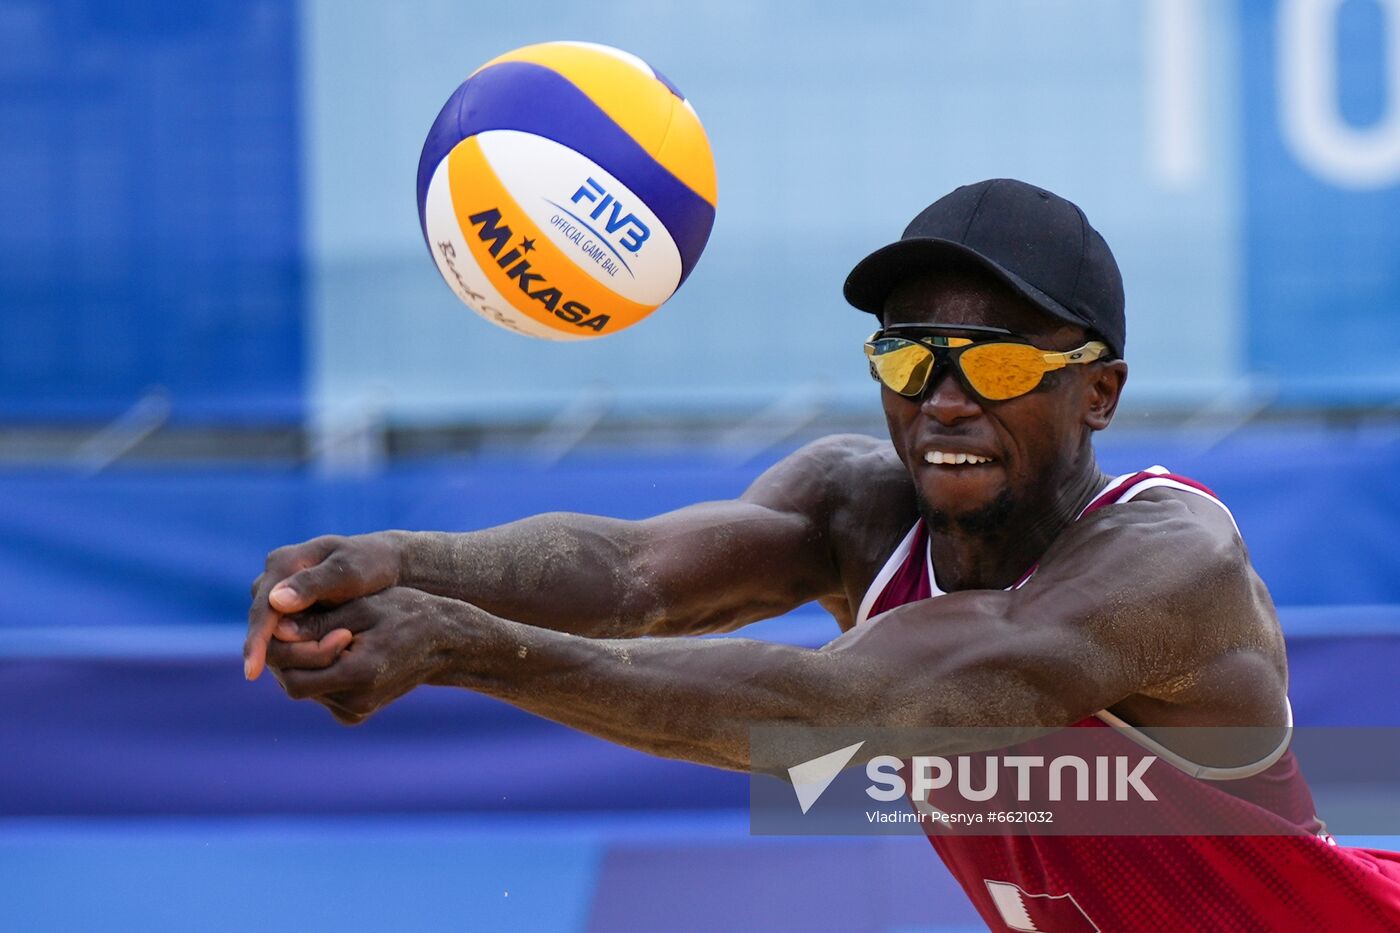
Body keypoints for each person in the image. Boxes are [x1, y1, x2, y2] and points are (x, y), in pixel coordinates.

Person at [244, 179, 1400, 930]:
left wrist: (460, 644)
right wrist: (397, 561)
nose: (942, 400)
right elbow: (635, 575)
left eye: (995, 366)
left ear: (1098, 394)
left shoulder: (1169, 561)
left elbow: (846, 710)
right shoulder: (860, 503)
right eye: (910, 358)